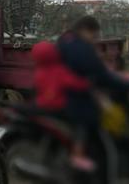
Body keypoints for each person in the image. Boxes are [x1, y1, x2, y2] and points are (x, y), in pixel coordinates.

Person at [55, 15, 129, 171]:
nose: (94, 39)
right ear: (86, 30)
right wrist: (125, 85)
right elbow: (98, 74)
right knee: (104, 144)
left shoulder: (66, 42)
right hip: (75, 99)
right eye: (94, 35)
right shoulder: (80, 47)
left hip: (63, 94)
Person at [32, 41, 92, 171]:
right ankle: (77, 156)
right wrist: (88, 84)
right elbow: (73, 83)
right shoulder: (58, 69)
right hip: (58, 108)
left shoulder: (39, 71)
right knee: (82, 124)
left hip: (42, 107)